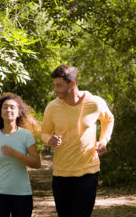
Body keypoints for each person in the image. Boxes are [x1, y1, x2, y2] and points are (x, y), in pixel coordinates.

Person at [41, 65, 115, 217]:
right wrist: (50, 139)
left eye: (59, 85)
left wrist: (104, 140)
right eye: (55, 85)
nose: (55, 89)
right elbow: (44, 132)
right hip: (61, 173)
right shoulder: (52, 107)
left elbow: (109, 119)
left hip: (88, 171)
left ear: (72, 83)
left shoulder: (94, 102)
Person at [0, 92, 41, 217]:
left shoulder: (26, 135)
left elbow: (36, 163)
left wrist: (15, 154)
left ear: (19, 113)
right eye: (5, 107)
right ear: (0, 112)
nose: (8, 110)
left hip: (22, 194)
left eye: (12, 107)